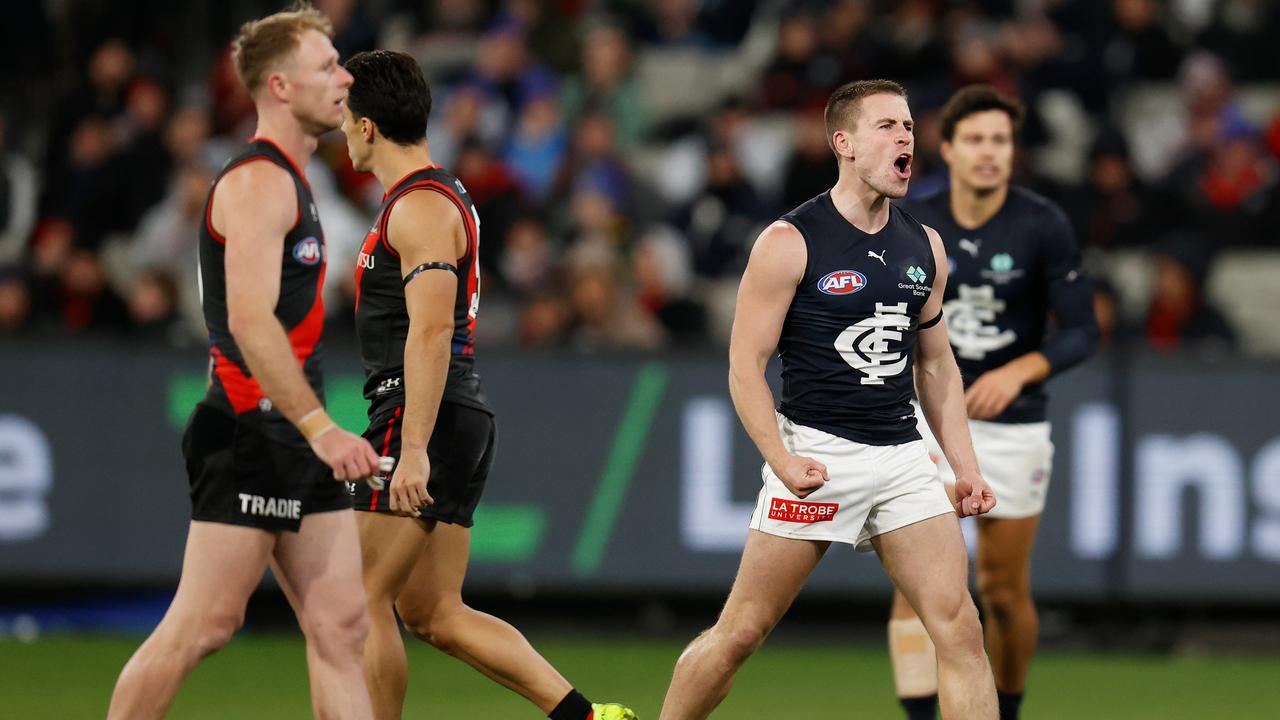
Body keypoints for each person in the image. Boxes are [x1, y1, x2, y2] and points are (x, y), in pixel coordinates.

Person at [659, 79, 999, 720]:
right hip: (818, 456)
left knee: (960, 631)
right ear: (843, 143)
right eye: (887, 126)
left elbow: (937, 365)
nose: (906, 137)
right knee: (740, 635)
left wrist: (965, 466)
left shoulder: (924, 247)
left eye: (908, 125)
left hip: (903, 457)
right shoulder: (789, 242)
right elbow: (744, 366)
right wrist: (782, 462)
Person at [338, 50, 637, 720]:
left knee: (355, 602)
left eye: (344, 121)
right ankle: (587, 718)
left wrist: (411, 447)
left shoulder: (417, 207)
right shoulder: (434, 196)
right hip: (450, 412)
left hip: (423, 413)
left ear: (366, 129)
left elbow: (431, 330)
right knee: (433, 613)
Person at [107, 7, 380, 719]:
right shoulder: (260, 182)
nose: (345, 77)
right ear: (281, 87)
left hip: (289, 424)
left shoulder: (295, 178)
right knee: (204, 625)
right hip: (252, 427)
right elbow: (249, 322)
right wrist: (322, 429)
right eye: (327, 66)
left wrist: (311, 429)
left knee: (342, 627)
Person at [891, 84, 1099, 720]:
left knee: (1002, 592)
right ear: (947, 149)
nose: (990, 152)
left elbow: (1084, 330)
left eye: (1001, 140)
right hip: (925, 422)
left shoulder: (1043, 224)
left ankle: (1006, 710)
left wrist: (1022, 370)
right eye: (976, 139)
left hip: (1012, 424)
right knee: (918, 591)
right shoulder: (912, 219)